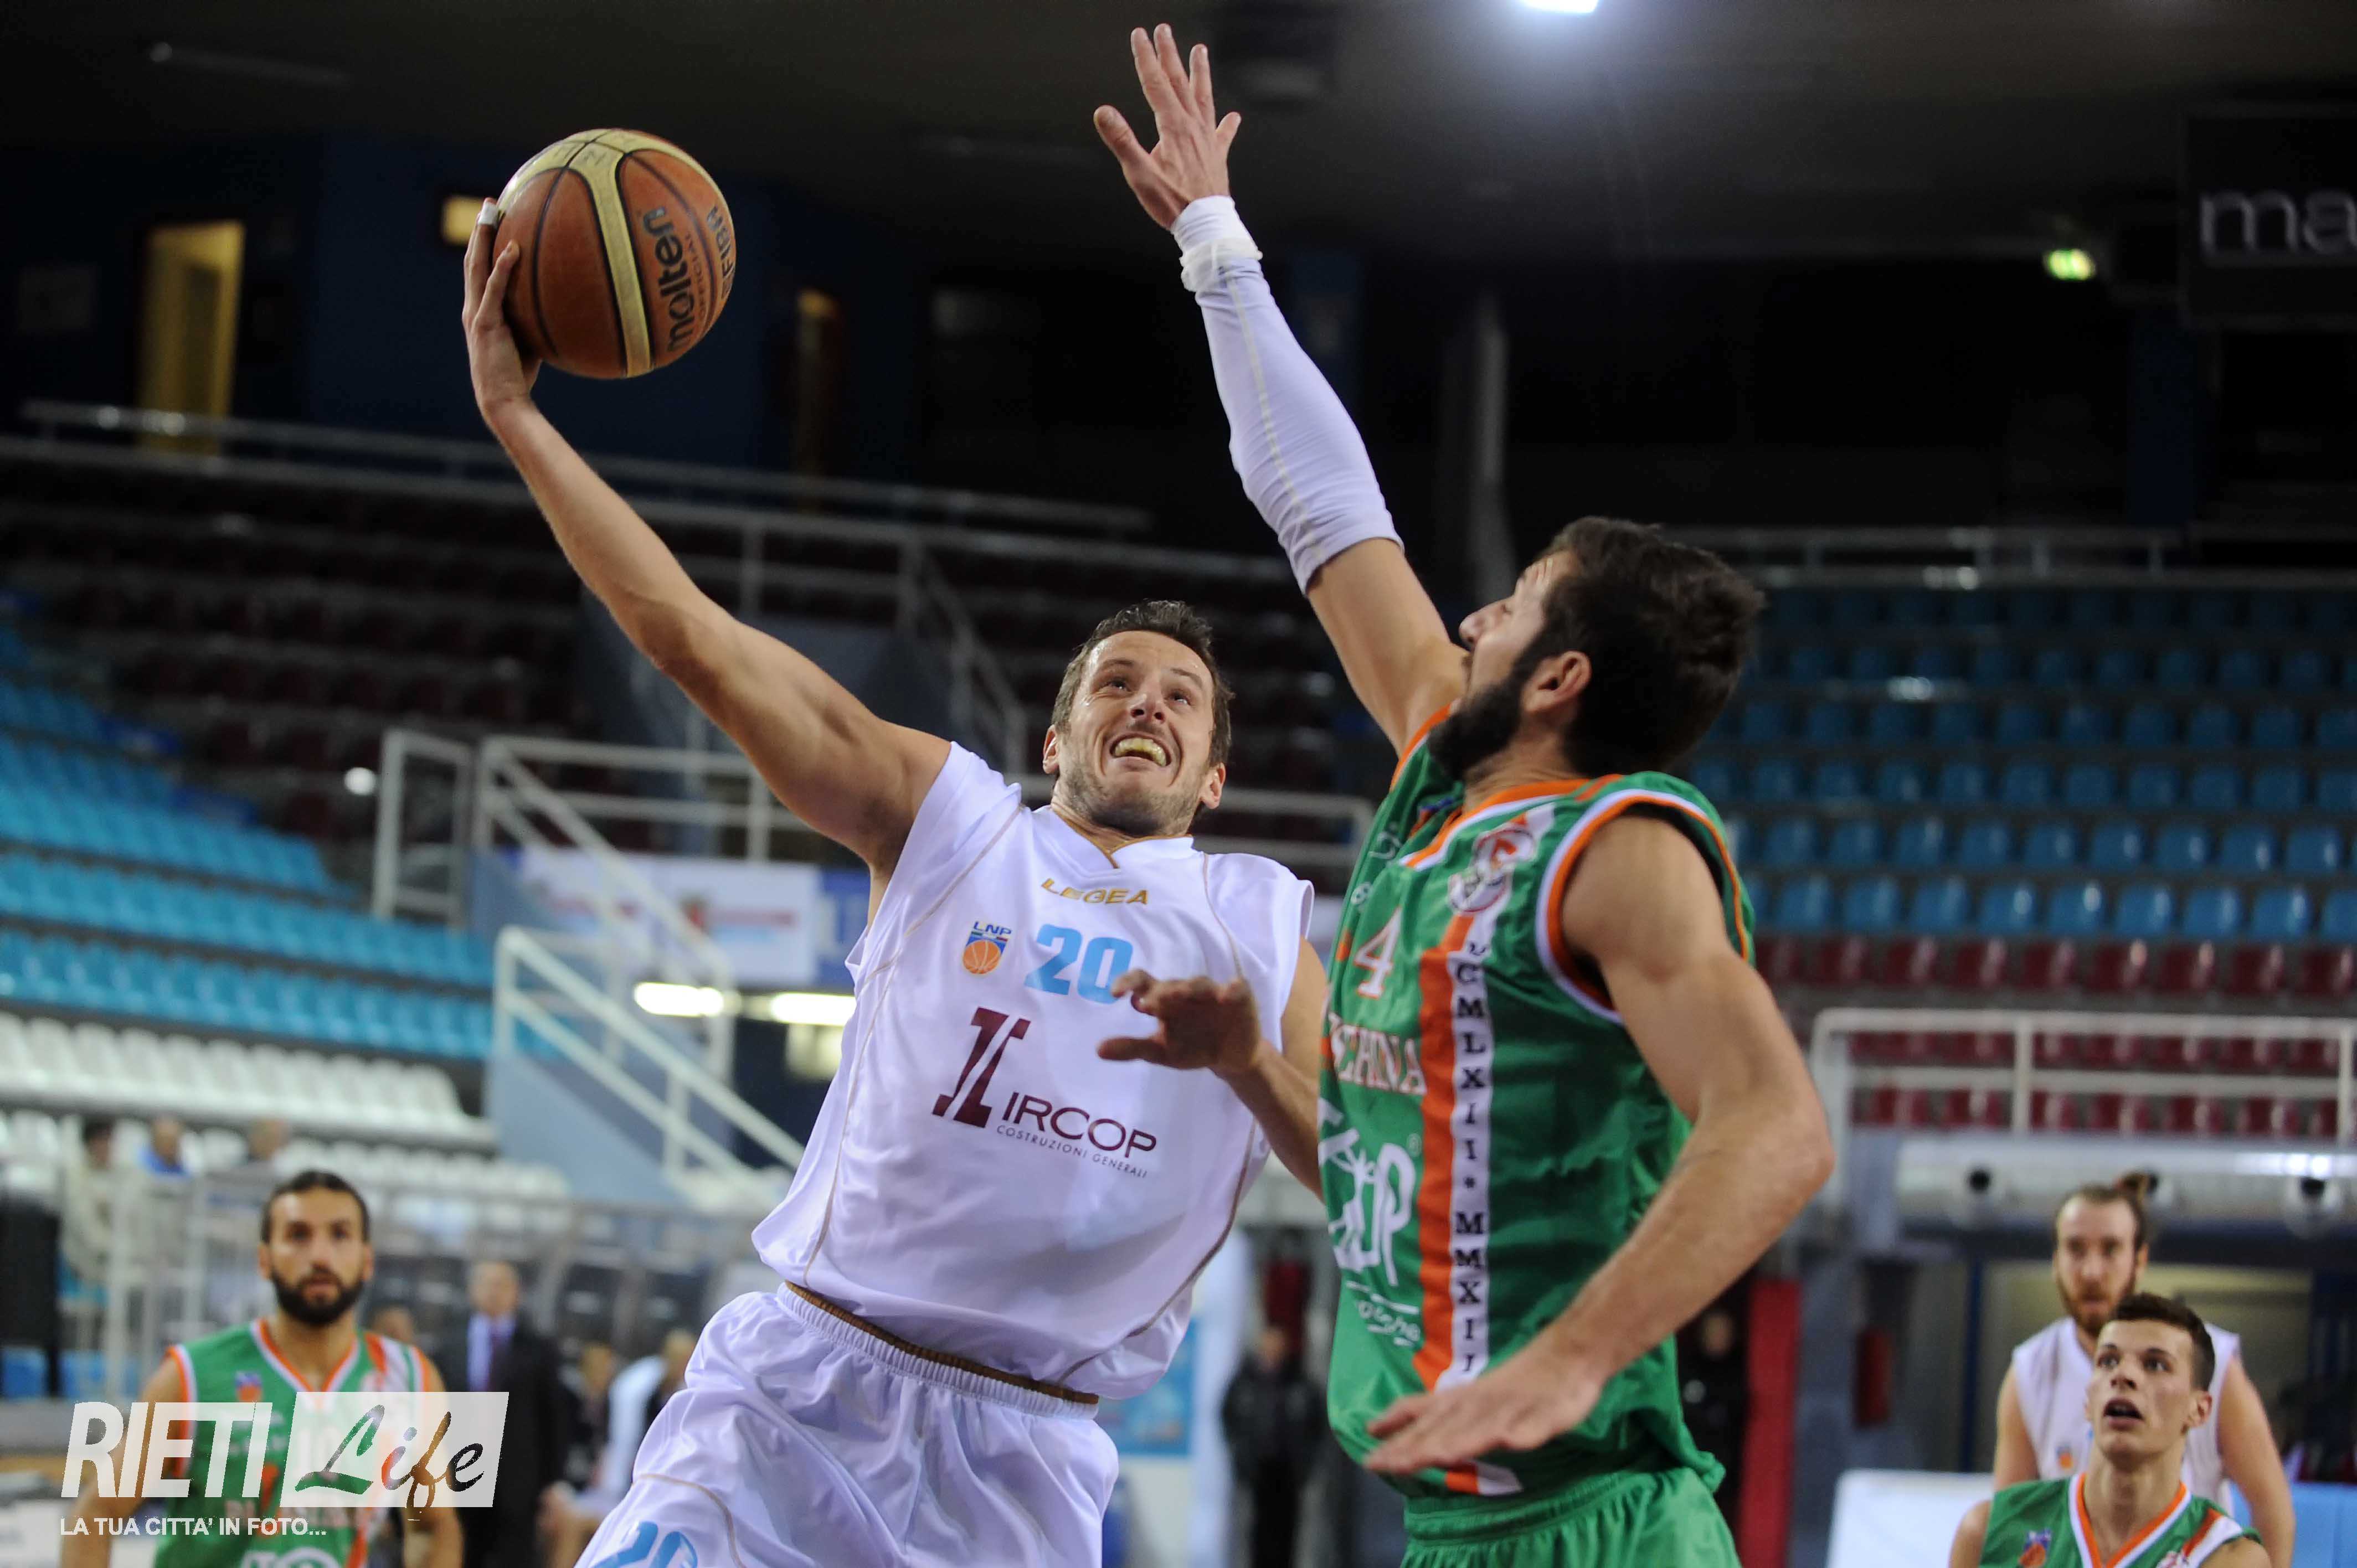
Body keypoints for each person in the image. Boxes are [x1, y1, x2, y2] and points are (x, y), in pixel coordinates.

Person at [460, 191, 1326, 1568]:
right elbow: (695, 642)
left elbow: (1367, 1173)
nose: (1146, 705)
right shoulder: (956, 822)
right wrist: (519, 419)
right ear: (1054, 741)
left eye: (1182, 698)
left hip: (1025, 1455)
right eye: (1115, 683)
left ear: (1213, 778)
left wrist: (1247, 1063)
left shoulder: (1260, 919)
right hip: (797, 1395)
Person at [1092, 28, 1833, 1566]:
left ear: (1557, 679)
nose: (1474, 614)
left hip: (1597, 1524)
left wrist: (1573, 1356)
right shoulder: (1442, 773)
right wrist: (1217, 246)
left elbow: (1777, 1129)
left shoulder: (1619, 852)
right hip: (1451, 1525)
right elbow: (1320, 504)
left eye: (1513, 601)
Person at [61, 1170, 462, 1566]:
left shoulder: (409, 1378)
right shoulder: (194, 1375)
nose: (320, 1256)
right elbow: (96, 1515)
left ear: (367, 1260)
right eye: (298, 1236)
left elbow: (433, 1526)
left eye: (340, 1235)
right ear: (265, 1259)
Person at [1994, 1175, 2294, 1566]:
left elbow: (2272, 1506)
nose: (2092, 1271)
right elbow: (2013, 1521)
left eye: (2110, 1249)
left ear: (2139, 1260)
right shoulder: (2030, 1371)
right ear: (2056, 1260)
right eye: (2076, 1249)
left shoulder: (2213, 1363)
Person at [1951, 1294, 2267, 1568]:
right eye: (2108, 1361)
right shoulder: (1988, 1532)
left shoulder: (2225, 1556)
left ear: (2200, 1410)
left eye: (2156, 1365)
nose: (2123, 1374)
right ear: (2089, 1401)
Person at [439, 1261, 574, 1568]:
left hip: (518, 1480)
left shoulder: (539, 1349)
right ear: (472, 1290)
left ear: (517, 1293)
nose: (494, 1292)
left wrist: (554, 1482)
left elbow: (554, 1419)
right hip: (460, 1472)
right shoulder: (450, 1344)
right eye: (487, 1284)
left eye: (502, 1285)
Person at [1221, 1325, 1326, 1568]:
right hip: (1255, 1470)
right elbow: (1228, 1418)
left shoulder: (1300, 1383)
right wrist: (1238, 1453)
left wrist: (1307, 1462)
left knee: (1287, 1530)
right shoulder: (1245, 1382)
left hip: (1289, 1471)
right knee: (1256, 1529)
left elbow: (1317, 1426)